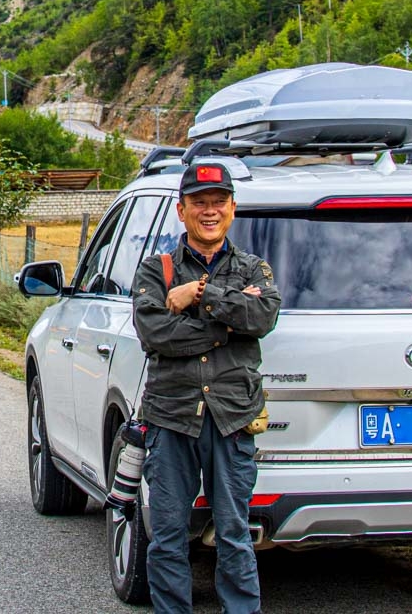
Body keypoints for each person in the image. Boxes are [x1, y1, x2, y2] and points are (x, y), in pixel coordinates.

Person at [132, 159, 281, 614]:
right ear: (182, 210)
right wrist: (229, 327)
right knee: (168, 535)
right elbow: (156, 335)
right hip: (171, 419)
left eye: (218, 202)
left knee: (234, 533)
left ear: (233, 208)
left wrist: (199, 294)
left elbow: (263, 317)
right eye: (199, 203)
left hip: (232, 418)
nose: (209, 211)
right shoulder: (155, 271)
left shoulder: (256, 269)